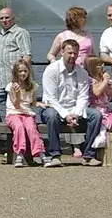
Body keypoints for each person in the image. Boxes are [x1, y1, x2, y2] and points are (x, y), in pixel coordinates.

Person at [39, 39, 100, 167]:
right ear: (62, 52)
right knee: (51, 115)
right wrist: (66, 115)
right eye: (69, 53)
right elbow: (51, 99)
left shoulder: (82, 72)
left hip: (74, 110)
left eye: (75, 53)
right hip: (52, 108)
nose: (72, 56)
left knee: (96, 115)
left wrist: (76, 114)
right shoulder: (51, 70)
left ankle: (88, 155)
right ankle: (55, 155)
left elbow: (83, 97)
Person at [0, 7, 31, 126]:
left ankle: (20, 137)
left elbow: (26, 57)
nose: (4, 20)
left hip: (16, 82)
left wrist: (21, 78)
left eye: (7, 18)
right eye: (2, 18)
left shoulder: (21, 33)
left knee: (17, 111)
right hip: (2, 81)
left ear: (13, 18)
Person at [5, 59, 44, 166]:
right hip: (13, 113)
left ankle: (41, 153)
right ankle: (19, 154)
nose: (23, 74)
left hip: (27, 113)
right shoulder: (11, 86)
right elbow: (16, 105)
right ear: (16, 73)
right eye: (20, 71)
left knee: (32, 128)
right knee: (19, 127)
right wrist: (17, 93)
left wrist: (40, 104)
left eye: (25, 71)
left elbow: (32, 102)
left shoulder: (32, 86)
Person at [83, 57, 112, 166]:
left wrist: (107, 83)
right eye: (98, 65)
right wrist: (105, 81)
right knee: (103, 126)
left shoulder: (104, 77)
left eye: (102, 64)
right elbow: (97, 92)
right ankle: (94, 153)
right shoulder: (90, 79)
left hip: (106, 109)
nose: (102, 66)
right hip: (94, 108)